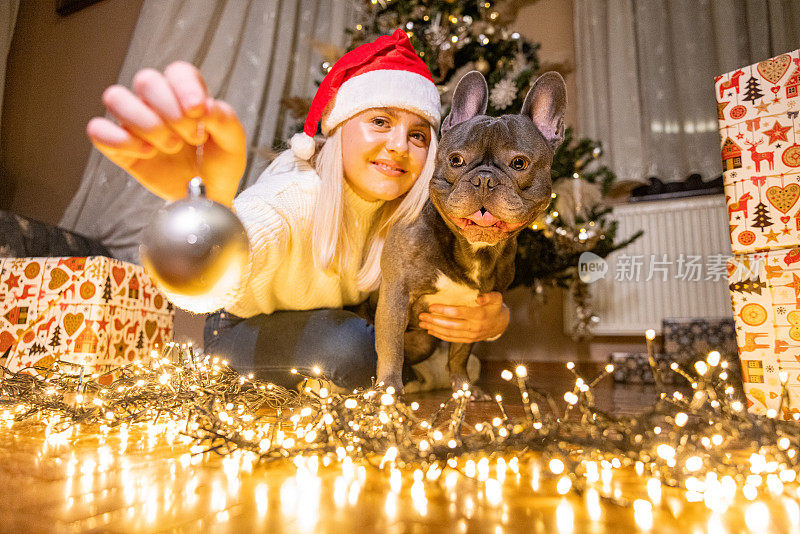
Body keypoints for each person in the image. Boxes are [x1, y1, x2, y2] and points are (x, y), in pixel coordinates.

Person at [87, 29, 510, 390]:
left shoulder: (408, 217)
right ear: (340, 128)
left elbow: (438, 301)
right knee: (356, 349)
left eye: (418, 135)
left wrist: (493, 320)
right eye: (380, 122)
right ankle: (401, 376)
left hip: (333, 323)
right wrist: (208, 214)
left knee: (387, 344)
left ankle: (406, 374)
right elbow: (248, 247)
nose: (400, 146)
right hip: (237, 328)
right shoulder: (298, 194)